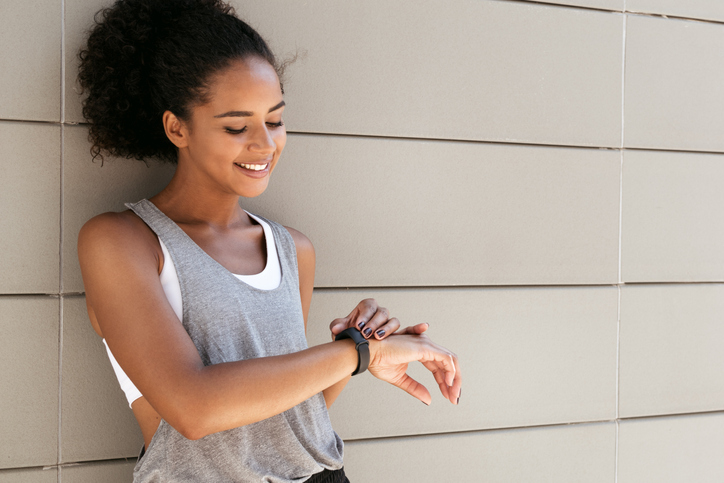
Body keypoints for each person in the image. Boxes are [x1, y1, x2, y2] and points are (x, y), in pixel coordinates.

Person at [76, 1, 462, 481]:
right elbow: (193, 408)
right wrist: (358, 353)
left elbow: (289, 413)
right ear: (178, 128)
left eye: (274, 120)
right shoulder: (122, 241)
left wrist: (358, 347)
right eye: (237, 127)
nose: (264, 144)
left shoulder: (291, 249)